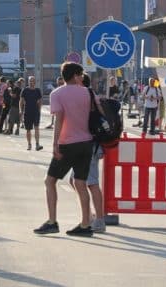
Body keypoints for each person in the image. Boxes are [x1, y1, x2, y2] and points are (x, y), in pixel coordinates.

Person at [33, 62, 94, 237]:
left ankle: (52, 221)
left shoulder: (57, 94)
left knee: (50, 181)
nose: (82, 77)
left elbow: (59, 119)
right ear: (75, 75)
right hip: (87, 142)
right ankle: (85, 224)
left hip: (67, 143)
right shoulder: (88, 93)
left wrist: (55, 144)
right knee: (81, 183)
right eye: (81, 74)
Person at [70, 73, 107, 233]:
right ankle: (92, 216)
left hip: (89, 145)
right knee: (74, 180)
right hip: (86, 144)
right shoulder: (91, 96)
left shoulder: (85, 96)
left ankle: (99, 220)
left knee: (92, 183)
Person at [20, 76, 43, 151]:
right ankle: (29, 144)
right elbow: (21, 101)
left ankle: (37, 144)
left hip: (36, 112)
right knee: (28, 129)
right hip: (27, 112)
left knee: (36, 127)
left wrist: (39, 110)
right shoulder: (25, 90)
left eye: (33, 81)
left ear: (35, 82)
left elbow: (40, 101)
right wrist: (21, 110)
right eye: (30, 81)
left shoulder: (37, 90)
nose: (31, 82)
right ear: (28, 82)